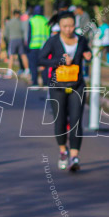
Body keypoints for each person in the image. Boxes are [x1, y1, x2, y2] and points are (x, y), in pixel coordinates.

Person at [38, 10, 92, 172]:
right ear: (59, 26)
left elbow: (87, 52)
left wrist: (88, 55)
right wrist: (59, 61)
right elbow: (40, 59)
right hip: (57, 86)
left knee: (76, 121)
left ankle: (74, 156)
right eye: (65, 26)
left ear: (75, 25)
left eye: (71, 26)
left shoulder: (81, 40)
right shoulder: (53, 41)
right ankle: (63, 151)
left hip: (77, 85)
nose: (68, 29)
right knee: (60, 121)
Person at [4, 10, 30, 80]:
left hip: (12, 39)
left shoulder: (9, 22)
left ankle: (9, 72)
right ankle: (27, 70)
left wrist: (7, 39)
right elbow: (25, 31)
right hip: (20, 39)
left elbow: (6, 34)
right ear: (19, 15)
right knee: (23, 54)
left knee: (11, 55)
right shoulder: (21, 22)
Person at [28, 6, 49, 86]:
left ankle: (35, 82)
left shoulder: (32, 20)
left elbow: (29, 34)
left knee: (33, 65)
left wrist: (28, 46)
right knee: (44, 65)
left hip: (34, 45)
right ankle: (45, 82)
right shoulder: (46, 20)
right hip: (44, 46)